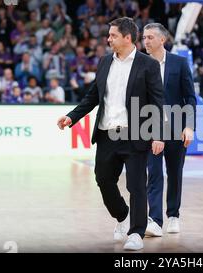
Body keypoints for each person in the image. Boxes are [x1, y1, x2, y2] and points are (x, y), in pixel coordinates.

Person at [57, 17, 164, 251]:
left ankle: (136, 232)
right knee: (103, 180)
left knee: (136, 185)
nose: (108, 39)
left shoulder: (148, 65)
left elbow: (157, 102)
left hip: (135, 134)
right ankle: (123, 216)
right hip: (107, 134)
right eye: (109, 35)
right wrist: (72, 117)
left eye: (113, 35)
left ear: (128, 38)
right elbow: (93, 96)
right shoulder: (105, 62)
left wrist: (157, 134)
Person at [142, 23, 196, 236]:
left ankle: (173, 215)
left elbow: (190, 97)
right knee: (154, 173)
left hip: (176, 128)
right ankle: (155, 220)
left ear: (162, 40)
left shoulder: (179, 63)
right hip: (149, 128)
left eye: (150, 37)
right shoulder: (141, 63)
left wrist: (189, 126)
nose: (146, 41)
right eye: (144, 37)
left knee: (174, 173)